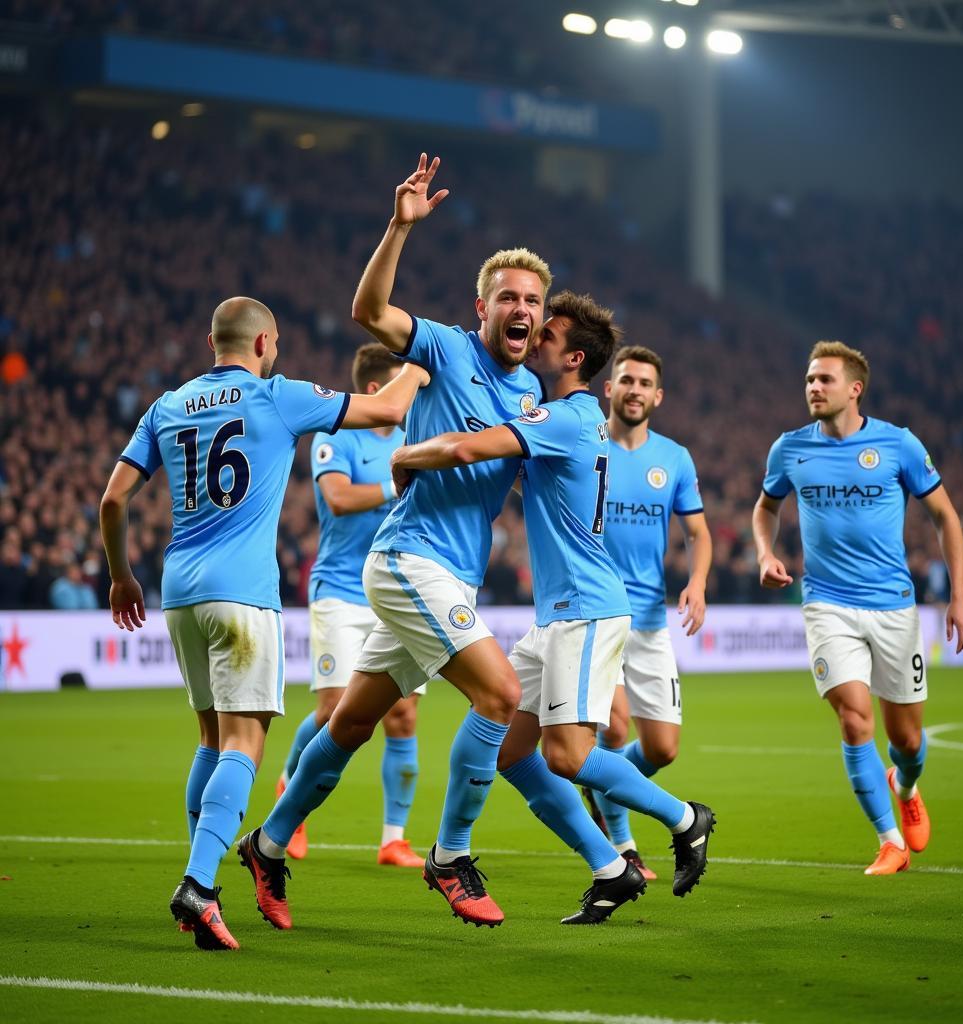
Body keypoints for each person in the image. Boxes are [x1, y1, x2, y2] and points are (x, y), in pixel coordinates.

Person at [237, 154, 546, 929]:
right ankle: (451, 855)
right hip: (407, 561)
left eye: (532, 300)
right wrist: (398, 228)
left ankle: (268, 847)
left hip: (453, 573)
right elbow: (370, 309)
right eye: (506, 295)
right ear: (481, 307)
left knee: (349, 722)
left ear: (541, 320)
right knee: (501, 696)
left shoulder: (533, 392)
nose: (520, 307)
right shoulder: (444, 347)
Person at [98, 296, 428, 950]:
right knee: (245, 744)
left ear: (213, 340)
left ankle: (202, 877)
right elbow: (389, 410)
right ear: (263, 344)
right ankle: (198, 883)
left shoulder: (166, 405)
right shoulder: (278, 395)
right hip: (243, 594)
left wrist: (121, 575)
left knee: (210, 739)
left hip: (177, 587)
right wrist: (426, 356)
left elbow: (113, 499)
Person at [389, 291, 716, 924]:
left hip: (587, 610)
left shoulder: (566, 417)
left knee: (567, 755)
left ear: (573, 356)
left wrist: (406, 455)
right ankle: (610, 867)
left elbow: (465, 450)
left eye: (550, 331)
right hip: (558, 615)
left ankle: (685, 818)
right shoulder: (570, 419)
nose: (535, 333)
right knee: (510, 748)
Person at [752, 340, 963, 875]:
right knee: (855, 720)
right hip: (826, 604)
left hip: (894, 607)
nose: (813, 387)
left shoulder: (897, 445)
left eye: (824, 379)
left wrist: (960, 595)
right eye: (809, 379)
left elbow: (946, 517)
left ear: (854, 389)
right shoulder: (789, 448)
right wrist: (765, 551)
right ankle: (890, 841)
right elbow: (766, 507)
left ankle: (907, 782)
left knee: (907, 740)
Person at [275, 342, 425, 868]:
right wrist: (395, 482)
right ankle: (290, 802)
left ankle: (393, 839)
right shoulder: (334, 437)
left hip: (396, 591)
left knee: (403, 715)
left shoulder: (414, 438)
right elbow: (338, 498)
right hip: (339, 590)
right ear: (373, 390)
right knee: (335, 711)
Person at [583, 345, 712, 880]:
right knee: (613, 727)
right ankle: (623, 843)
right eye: (626, 380)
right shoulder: (585, 445)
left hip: (651, 621)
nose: (634, 390)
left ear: (657, 396)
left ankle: (602, 784)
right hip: (595, 612)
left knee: (661, 746)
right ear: (609, 389)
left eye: (645, 384)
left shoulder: (674, 458)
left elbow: (698, 532)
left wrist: (697, 583)